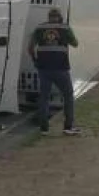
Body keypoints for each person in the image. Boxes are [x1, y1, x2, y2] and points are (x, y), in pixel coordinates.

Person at [29, 7, 80, 135]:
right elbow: (75, 43)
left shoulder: (39, 28)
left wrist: (36, 62)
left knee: (44, 97)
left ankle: (44, 129)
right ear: (59, 17)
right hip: (61, 68)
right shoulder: (65, 28)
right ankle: (68, 127)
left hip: (44, 69)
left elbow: (30, 48)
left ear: (48, 16)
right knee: (68, 95)